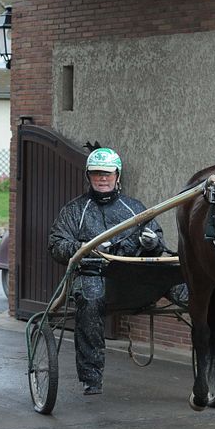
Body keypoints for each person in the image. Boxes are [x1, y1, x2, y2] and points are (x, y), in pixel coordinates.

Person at [48, 147, 164, 395]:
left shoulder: (134, 208)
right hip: (91, 275)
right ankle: (91, 377)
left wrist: (153, 242)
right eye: (97, 174)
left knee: (182, 281)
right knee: (90, 297)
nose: (102, 178)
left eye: (107, 174)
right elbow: (56, 245)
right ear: (88, 176)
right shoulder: (74, 211)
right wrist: (83, 248)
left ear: (117, 176)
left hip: (132, 279)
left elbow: (157, 239)